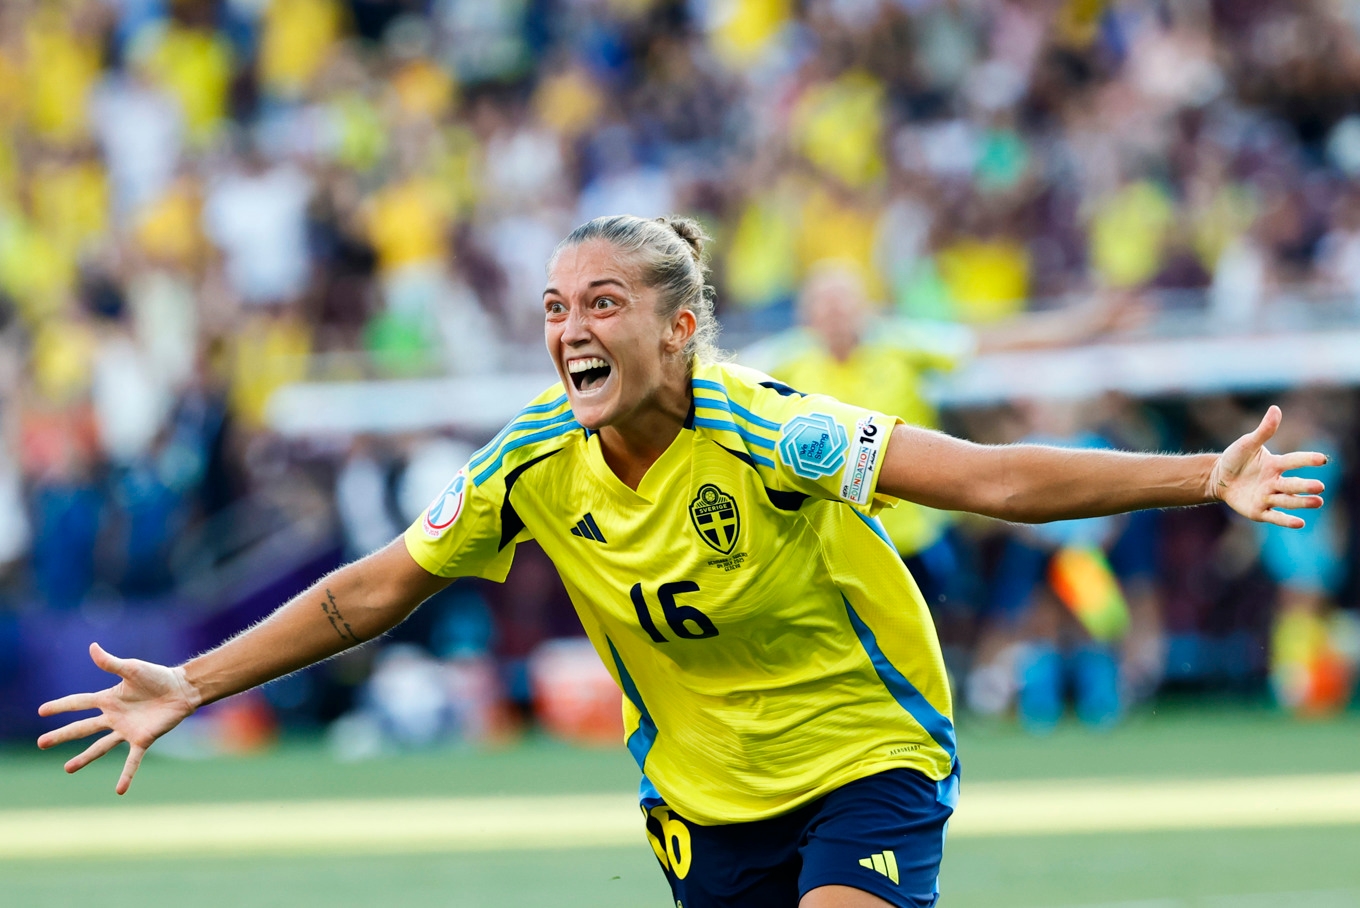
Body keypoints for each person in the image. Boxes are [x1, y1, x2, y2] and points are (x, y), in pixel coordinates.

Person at [38, 215, 1326, 908]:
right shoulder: (528, 464)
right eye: (555, 308)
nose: (569, 330)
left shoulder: (776, 428)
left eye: (602, 303)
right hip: (703, 804)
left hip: (866, 753)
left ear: (681, 327)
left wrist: (1201, 475)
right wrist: (196, 681)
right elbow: (365, 590)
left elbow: (986, 477)